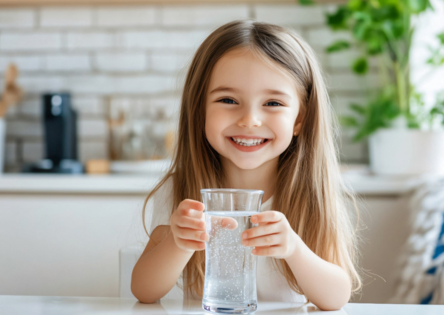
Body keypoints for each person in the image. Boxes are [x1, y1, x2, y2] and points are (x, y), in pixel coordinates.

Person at [131, 19, 361, 311]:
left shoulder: (311, 193)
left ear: (300, 119)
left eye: (273, 103)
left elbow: (336, 297)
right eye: (228, 99)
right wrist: (177, 242)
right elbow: (144, 290)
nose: (249, 119)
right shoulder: (182, 192)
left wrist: (293, 248)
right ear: (199, 110)